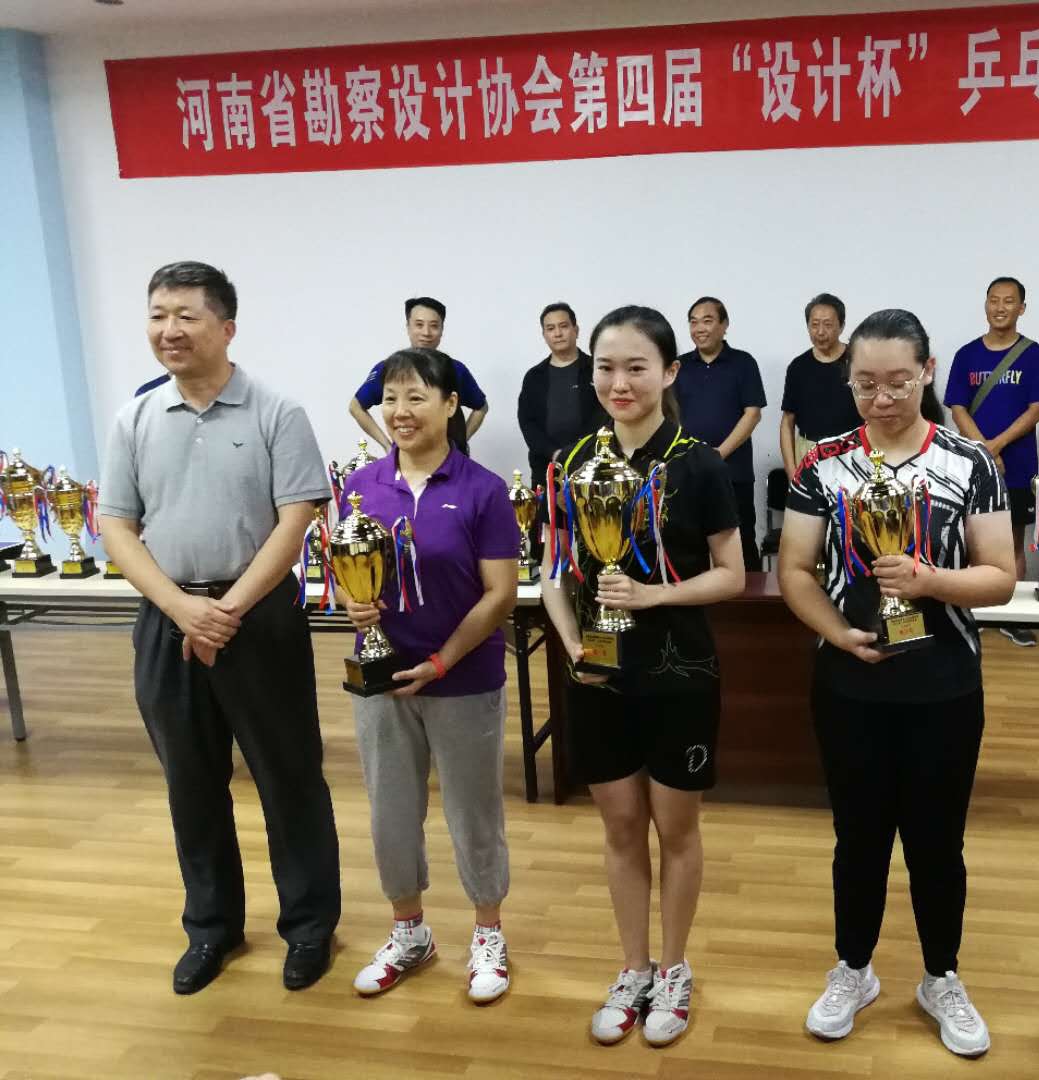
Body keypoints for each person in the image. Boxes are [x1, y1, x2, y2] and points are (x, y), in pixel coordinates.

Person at [98, 261, 341, 995]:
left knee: (288, 778)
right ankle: (211, 928)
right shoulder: (135, 418)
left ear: (226, 327)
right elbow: (116, 525)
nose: (168, 330)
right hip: (167, 620)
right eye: (157, 315)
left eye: (186, 315)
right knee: (191, 784)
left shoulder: (277, 412)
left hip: (258, 621)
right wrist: (181, 609)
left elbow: (297, 518)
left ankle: (309, 927)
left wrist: (227, 610)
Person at [778, 309, 1016, 1058]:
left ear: (927, 372)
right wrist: (837, 632)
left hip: (944, 683)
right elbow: (795, 569)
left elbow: (1000, 577)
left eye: (898, 382)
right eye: (865, 384)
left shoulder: (970, 462)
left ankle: (941, 977)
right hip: (849, 683)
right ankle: (854, 969)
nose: (881, 399)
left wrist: (929, 579)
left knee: (938, 842)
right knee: (858, 838)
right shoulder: (823, 463)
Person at [540, 305, 745, 1047]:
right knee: (621, 826)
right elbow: (555, 570)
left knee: (675, 829)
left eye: (636, 367)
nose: (619, 382)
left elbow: (731, 574)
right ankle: (633, 967)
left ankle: (675, 967)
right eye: (606, 367)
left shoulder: (698, 463)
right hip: (597, 676)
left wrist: (654, 595)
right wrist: (571, 642)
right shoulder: (570, 463)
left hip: (679, 674)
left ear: (668, 372)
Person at [338, 348, 521, 1002]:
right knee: (390, 811)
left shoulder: (483, 490)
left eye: (416, 397)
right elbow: (347, 571)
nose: (400, 411)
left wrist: (443, 660)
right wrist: (352, 603)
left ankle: (488, 932)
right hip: (382, 681)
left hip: (463, 678)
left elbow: (500, 593)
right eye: (391, 398)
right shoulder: (360, 487)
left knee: (474, 813)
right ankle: (409, 931)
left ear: (450, 405)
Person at [944, 276, 1039, 646]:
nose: (1000, 307)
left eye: (1009, 301)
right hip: (971, 465)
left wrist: (997, 446)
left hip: (1018, 463)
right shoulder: (966, 355)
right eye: (994, 300)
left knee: (1012, 541)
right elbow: (958, 408)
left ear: (1022, 308)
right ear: (985, 305)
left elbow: (1036, 410)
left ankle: (1012, 614)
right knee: (970, 539)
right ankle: (972, 611)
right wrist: (985, 451)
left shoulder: (1034, 354)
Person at [673, 296, 767, 571]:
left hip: (733, 472)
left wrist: (718, 454)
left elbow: (752, 414)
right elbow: (669, 415)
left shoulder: (743, 363)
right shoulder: (679, 366)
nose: (699, 328)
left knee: (741, 539)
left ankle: (748, 597)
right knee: (690, 543)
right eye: (693, 322)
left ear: (724, 325)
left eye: (707, 321)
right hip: (688, 470)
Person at [348, 297, 489, 452]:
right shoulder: (390, 369)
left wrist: (460, 443)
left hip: (448, 459)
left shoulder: (456, 369)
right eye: (419, 325)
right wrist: (387, 446)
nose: (426, 333)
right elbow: (356, 406)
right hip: (406, 457)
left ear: (442, 330)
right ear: (408, 327)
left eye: (434, 326)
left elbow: (481, 407)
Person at [517, 302, 605, 488]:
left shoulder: (596, 370)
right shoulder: (534, 377)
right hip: (546, 468)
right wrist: (554, 453)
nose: (557, 333)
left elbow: (605, 414)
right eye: (550, 328)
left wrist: (579, 453)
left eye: (563, 326)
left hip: (592, 466)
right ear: (544, 335)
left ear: (576, 330)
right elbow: (527, 423)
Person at [779, 292, 862, 477]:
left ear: (842, 326)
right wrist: (791, 471)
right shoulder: (798, 367)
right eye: (814, 324)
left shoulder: (858, 361)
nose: (820, 332)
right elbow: (787, 421)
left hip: (853, 452)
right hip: (809, 452)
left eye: (828, 324)